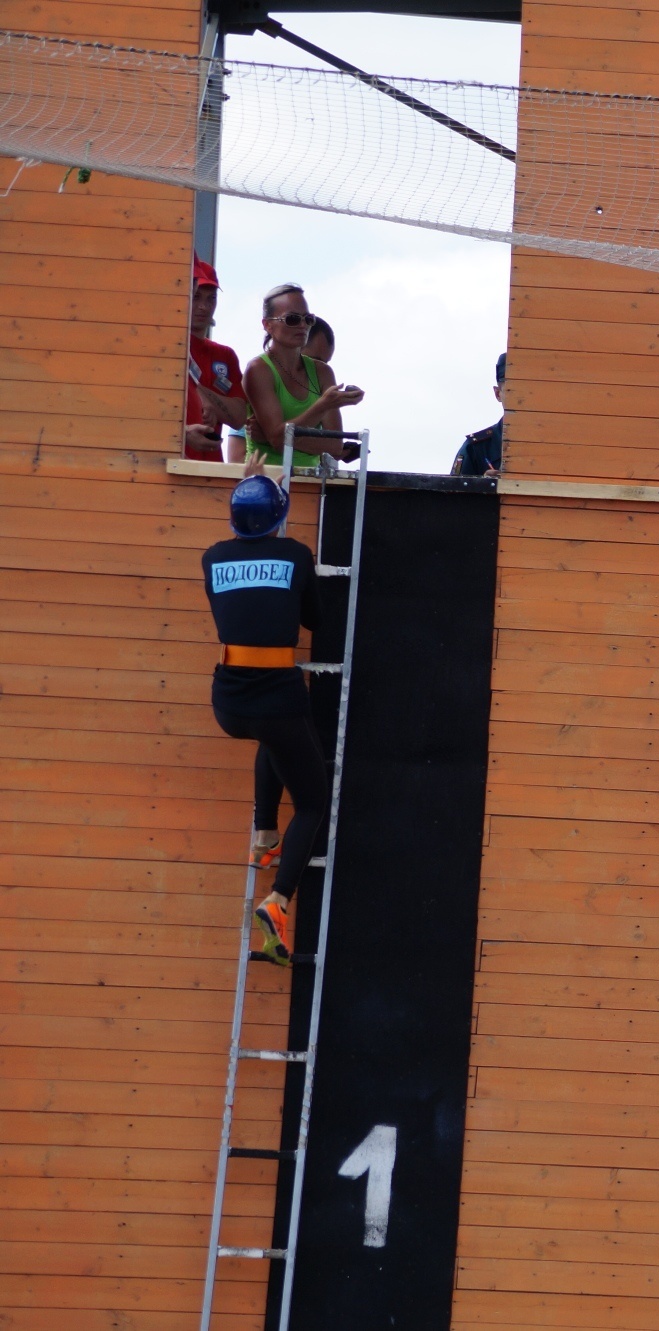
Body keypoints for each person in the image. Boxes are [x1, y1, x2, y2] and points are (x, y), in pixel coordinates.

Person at [202, 462, 328, 967]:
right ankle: (277, 904)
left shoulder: (212, 558)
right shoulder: (296, 554)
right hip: (276, 697)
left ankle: (264, 836)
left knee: (272, 741)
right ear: (280, 517)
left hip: (228, 702)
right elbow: (316, 620)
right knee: (315, 803)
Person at [244, 284, 363, 469]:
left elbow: (334, 445)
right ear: (268, 325)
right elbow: (278, 440)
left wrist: (282, 437)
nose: (302, 325)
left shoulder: (322, 372)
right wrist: (323, 406)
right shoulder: (259, 370)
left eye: (308, 319)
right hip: (266, 481)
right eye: (292, 319)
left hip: (309, 484)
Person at [185, 261, 249, 462]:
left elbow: (239, 418)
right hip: (173, 464)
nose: (204, 306)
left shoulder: (225, 355)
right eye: (196, 297)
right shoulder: (167, 346)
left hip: (212, 466)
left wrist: (202, 395)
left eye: (211, 298)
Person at [453, 353, 506, 477]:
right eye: (511, 390)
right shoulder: (475, 448)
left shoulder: (555, 445)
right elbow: (452, 492)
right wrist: (483, 486)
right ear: (498, 394)